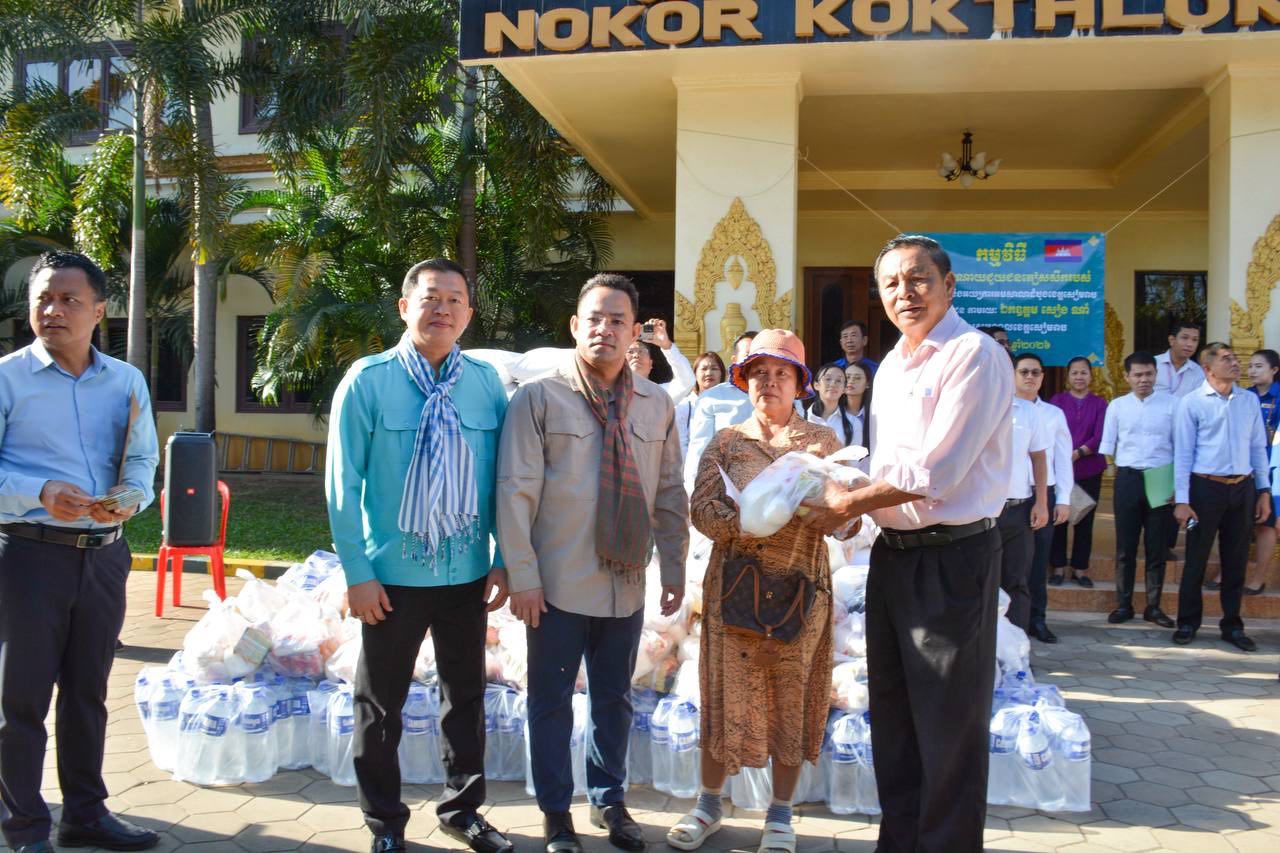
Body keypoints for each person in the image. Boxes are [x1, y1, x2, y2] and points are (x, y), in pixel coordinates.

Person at [799, 235, 1014, 852]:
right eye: (891, 283)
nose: (904, 293)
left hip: (953, 559)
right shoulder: (892, 364)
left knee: (948, 726)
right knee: (895, 721)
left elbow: (936, 472)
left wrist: (849, 503)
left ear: (949, 285)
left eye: (918, 278)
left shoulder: (973, 356)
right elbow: (886, 469)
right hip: (893, 559)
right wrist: (849, 510)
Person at [326, 258, 514, 853]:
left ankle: (463, 811)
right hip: (392, 576)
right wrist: (357, 574)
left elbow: (503, 479)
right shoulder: (368, 381)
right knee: (380, 705)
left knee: (465, 699)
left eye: (455, 299)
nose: (443, 309)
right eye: (431, 297)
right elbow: (342, 486)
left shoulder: (484, 384)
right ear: (405, 307)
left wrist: (503, 557)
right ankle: (384, 822)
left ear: (469, 314)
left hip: (466, 572)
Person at [496, 273, 688, 853]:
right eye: (595, 319)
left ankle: (610, 801)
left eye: (617, 320)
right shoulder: (539, 398)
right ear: (576, 326)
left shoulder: (656, 404)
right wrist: (523, 576)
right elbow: (515, 491)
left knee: (614, 700)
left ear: (634, 333)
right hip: (555, 584)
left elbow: (669, 491)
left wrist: (673, 568)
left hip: (624, 582)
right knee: (550, 702)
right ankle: (556, 814)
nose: (605, 329)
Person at [0, 251, 160, 853]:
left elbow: (142, 459)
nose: (53, 310)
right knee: (20, 700)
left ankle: (86, 815)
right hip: (26, 556)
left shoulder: (125, 382)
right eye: (43, 298)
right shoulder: (7, 379)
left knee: (88, 693)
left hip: (103, 557)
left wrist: (129, 499)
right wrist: (38, 492)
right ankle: (24, 829)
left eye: (69, 299)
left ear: (99, 310)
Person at [666, 330, 839, 853]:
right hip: (735, 588)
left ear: (800, 384)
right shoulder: (726, 442)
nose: (769, 382)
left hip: (800, 589)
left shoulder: (821, 444)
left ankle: (780, 815)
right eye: (759, 373)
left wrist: (822, 509)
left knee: (792, 695)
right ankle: (708, 805)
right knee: (725, 694)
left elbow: (848, 519)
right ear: (744, 381)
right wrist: (747, 522)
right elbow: (701, 508)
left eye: (782, 373)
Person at [1172, 343, 1269, 652]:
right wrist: (1182, 500)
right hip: (1205, 488)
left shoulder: (1248, 400)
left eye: (1235, 358)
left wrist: (1264, 491)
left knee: (1236, 559)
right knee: (1197, 558)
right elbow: (1183, 454)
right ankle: (1188, 622)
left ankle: (1232, 625)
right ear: (1207, 368)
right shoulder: (1192, 402)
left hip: (1243, 488)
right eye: (1226, 359)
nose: (1235, 363)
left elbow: (1258, 449)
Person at [1097, 352, 1177, 627]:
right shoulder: (1117, 406)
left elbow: (1181, 447)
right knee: (1125, 547)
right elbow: (1107, 445)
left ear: (1156, 374)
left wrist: (1177, 486)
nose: (1144, 380)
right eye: (1138, 375)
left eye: (1149, 374)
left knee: (1157, 547)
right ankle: (1124, 605)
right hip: (1128, 478)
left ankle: (1153, 607)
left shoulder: (1172, 405)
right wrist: (1114, 473)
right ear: (1127, 376)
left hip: (1161, 478)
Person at [1210, 348, 1280, 594]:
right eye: (1250, 366)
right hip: (1239, 468)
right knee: (1233, 523)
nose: (1252, 371)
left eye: (1259, 366)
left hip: (1271, 468)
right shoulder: (1243, 396)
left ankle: (1258, 578)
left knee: (1265, 524)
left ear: (1274, 369)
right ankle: (1225, 571)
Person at [1018, 353, 1073, 644]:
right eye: (1024, 371)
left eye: (1035, 372)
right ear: (1013, 375)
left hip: (1043, 495)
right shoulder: (1002, 410)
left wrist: (1062, 498)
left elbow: (1062, 459)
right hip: (1010, 497)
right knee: (1012, 563)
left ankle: (1037, 619)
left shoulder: (1053, 414)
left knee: (1039, 562)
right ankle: (1009, 622)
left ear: (1042, 377)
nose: (1030, 377)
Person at [1000, 355, 1050, 633]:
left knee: (1017, 581)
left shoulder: (1028, 411)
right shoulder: (975, 406)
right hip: (981, 509)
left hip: (1018, 510)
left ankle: (1017, 644)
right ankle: (984, 649)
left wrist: (1041, 502)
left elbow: (1039, 458)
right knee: (979, 581)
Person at [1048, 357, 1107, 588]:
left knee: (1085, 521)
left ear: (1091, 376)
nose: (1079, 377)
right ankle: (1058, 567)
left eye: (1084, 372)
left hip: (1089, 469)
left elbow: (1100, 436)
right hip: (1060, 471)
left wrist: (1078, 453)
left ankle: (1080, 569)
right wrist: (1064, 457)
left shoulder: (1100, 404)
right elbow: (1051, 431)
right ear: (1068, 376)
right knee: (1059, 519)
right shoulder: (1057, 401)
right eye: (1074, 373)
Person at [683, 331, 759, 494]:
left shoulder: (788, 398)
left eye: (760, 354)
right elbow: (699, 449)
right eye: (748, 354)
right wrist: (693, 491)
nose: (755, 359)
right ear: (735, 360)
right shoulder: (712, 397)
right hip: (725, 489)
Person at [624, 318, 696, 400]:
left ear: (650, 364)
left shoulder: (660, 394)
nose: (636, 355)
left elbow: (687, 381)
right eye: (630, 351)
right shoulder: (613, 393)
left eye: (641, 351)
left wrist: (666, 345)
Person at [674, 352, 726, 457]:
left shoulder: (731, 405)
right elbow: (680, 445)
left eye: (714, 369)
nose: (709, 373)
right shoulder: (685, 406)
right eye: (704, 369)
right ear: (695, 374)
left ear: (722, 374)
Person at [806, 362, 859, 446]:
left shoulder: (854, 423)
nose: (833, 383)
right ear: (816, 385)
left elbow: (856, 454)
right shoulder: (803, 417)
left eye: (838, 380)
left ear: (844, 389)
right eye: (828, 379)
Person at [1155, 321, 1204, 398]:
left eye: (1195, 340)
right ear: (1171, 340)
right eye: (1185, 338)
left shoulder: (1198, 372)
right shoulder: (1153, 364)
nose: (1190, 344)